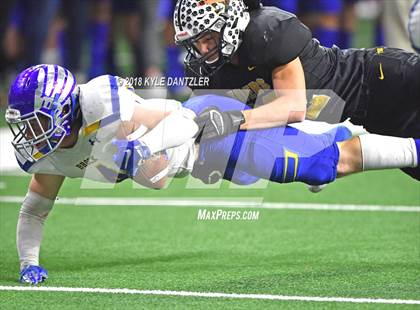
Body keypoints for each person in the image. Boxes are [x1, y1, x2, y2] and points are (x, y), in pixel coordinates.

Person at [6, 65, 419, 284]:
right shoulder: (52, 156)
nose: (29, 134)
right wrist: (28, 262)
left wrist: (145, 149)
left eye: (36, 122)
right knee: (318, 157)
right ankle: (338, 131)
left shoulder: (101, 104)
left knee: (325, 164)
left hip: (208, 127)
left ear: (63, 111)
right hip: (199, 158)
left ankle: (410, 148)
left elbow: (182, 118)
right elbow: (34, 211)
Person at [173, 0, 420, 179]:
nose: (203, 50)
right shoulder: (208, 74)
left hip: (381, 77)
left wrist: (232, 119)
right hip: (368, 115)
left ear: (229, 24)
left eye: (209, 38)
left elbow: (293, 107)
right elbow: (244, 151)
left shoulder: (265, 30)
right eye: (195, 42)